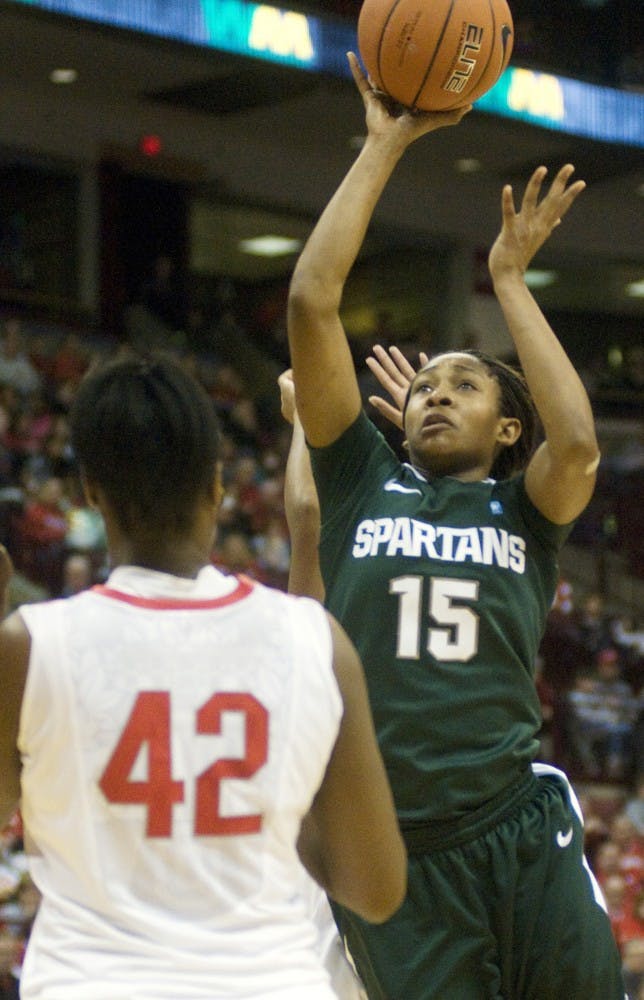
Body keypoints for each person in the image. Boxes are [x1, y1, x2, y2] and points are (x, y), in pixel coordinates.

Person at [285, 50, 625, 999]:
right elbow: (313, 302)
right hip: (392, 857)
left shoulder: (528, 510)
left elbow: (583, 447)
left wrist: (509, 280)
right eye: (425, 384)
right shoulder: (358, 481)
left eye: (462, 384)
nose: (435, 394)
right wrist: (383, 145)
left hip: (517, 822)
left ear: (507, 425)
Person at [0, 352, 406, 999]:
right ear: (218, 484)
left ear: (92, 491)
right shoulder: (314, 640)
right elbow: (377, 890)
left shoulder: (30, 645)